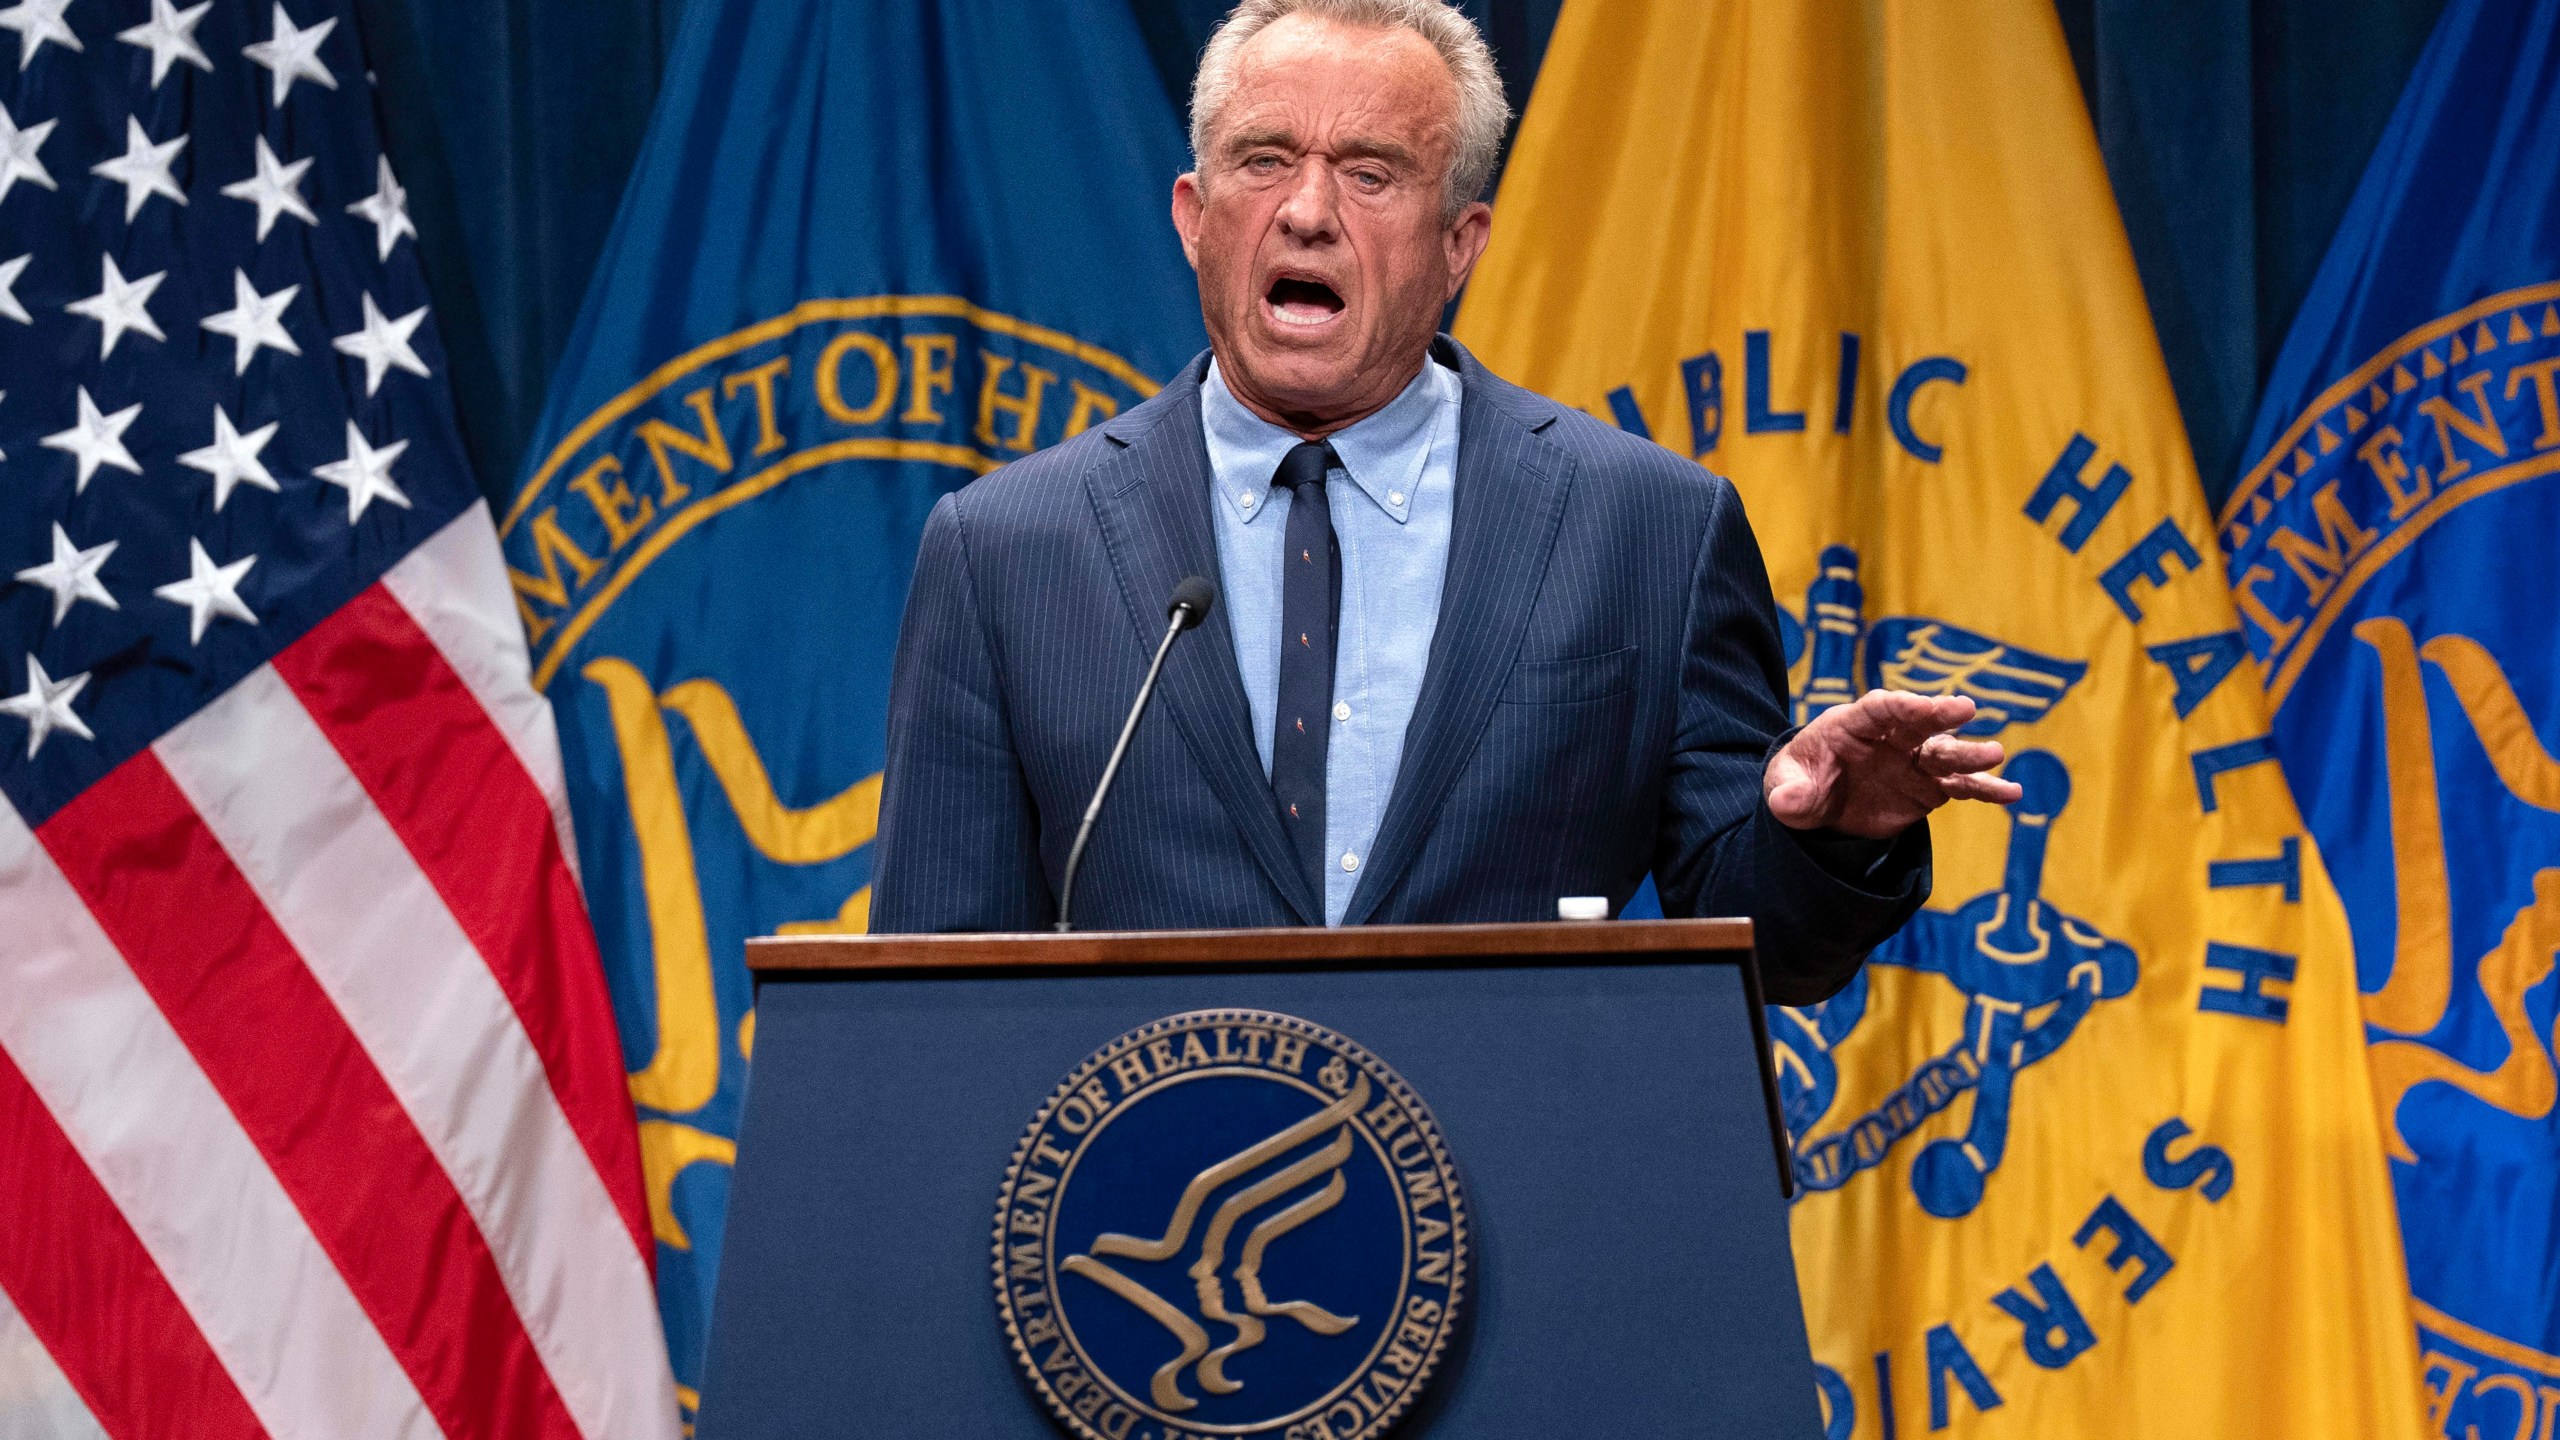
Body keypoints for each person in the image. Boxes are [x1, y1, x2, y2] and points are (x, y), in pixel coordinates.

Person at [868, 0, 2019, 1003]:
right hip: (1141, 1222)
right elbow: (933, 987)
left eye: (1370, 174)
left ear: (1460, 242)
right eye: (1263, 160)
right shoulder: (1006, 550)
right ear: (1194, 215)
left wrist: (1824, 837)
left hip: (1528, 1216)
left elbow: (1773, 952)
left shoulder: (1649, 530)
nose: (1307, 212)